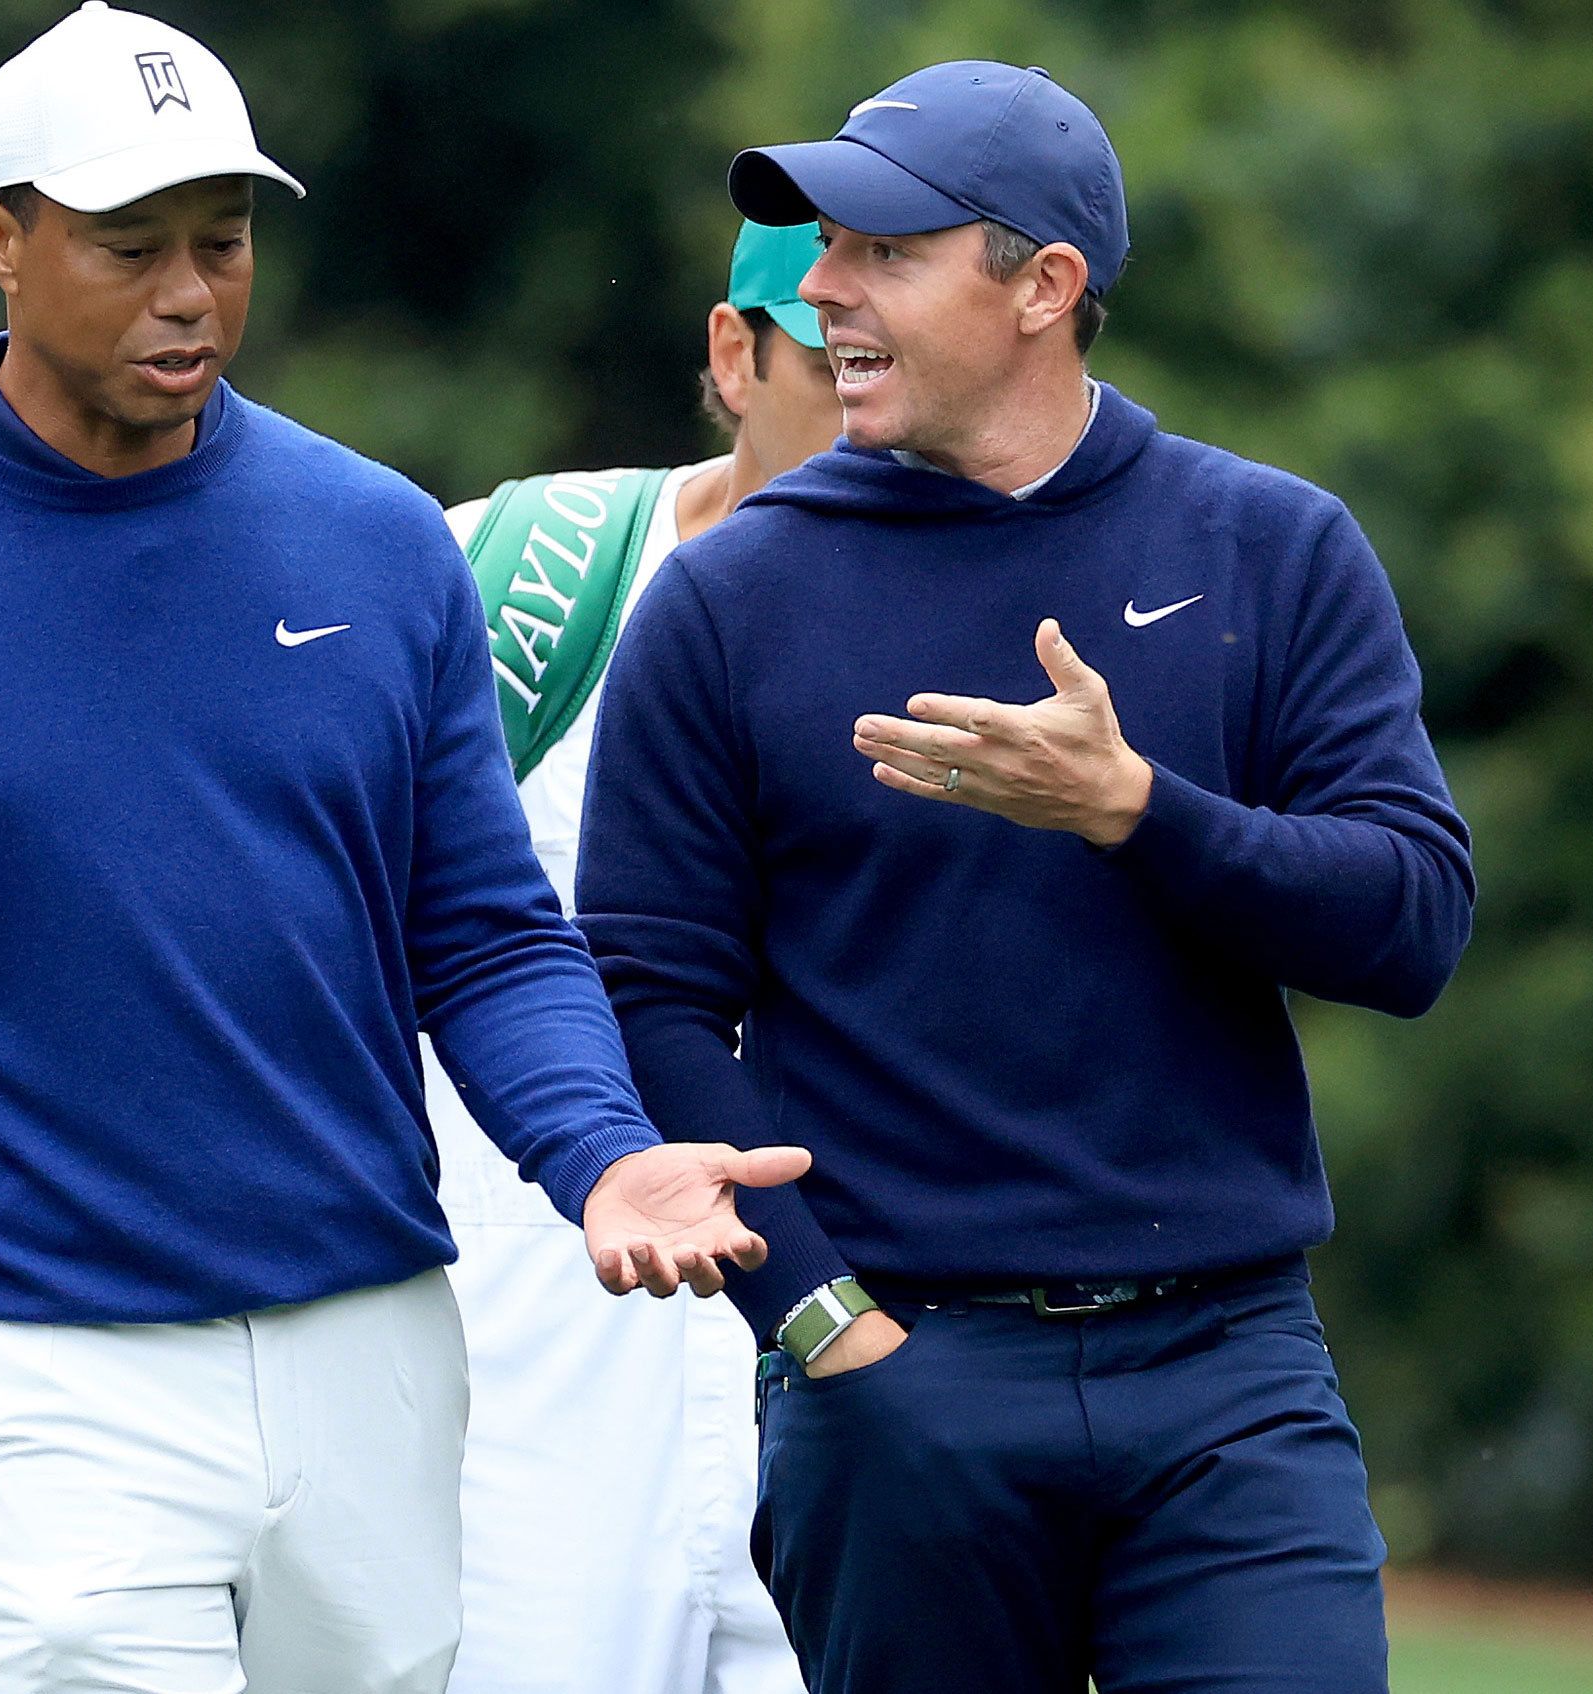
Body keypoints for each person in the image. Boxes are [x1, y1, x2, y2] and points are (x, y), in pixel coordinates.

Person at [0, 7, 805, 1692]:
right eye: (130, 249)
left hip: (380, 1357)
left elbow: (482, 934)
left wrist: (603, 1154)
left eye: (225, 239)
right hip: (53, 1380)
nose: (190, 292)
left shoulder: (379, 543)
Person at [576, 61, 1476, 1694]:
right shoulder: (725, 604)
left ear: (1044, 287)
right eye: (821, 252)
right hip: (900, 1383)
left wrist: (1137, 810)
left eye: (883, 253)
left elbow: (1411, 920)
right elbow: (646, 992)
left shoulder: (1267, 548)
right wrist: (822, 1323)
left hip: (1230, 1376)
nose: (824, 291)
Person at [428, 220, 838, 1694]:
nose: (881, 411)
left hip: (846, 1339)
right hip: (535, 1367)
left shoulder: (998, 618)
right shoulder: (511, 570)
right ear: (737, 354)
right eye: (836, 363)